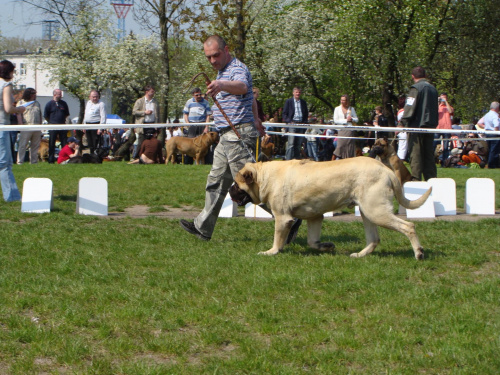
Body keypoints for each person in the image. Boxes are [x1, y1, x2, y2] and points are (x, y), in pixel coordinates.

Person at [179, 35, 265, 241]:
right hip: (227, 136)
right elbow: (249, 97)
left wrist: (221, 85)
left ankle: (290, 217)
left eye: (216, 55)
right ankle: (203, 228)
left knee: (249, 186)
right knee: (216, 182)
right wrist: (257, 118)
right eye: (208, 57)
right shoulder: (222, 71)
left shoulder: (237, 69)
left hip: (239, 135)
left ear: (226, 50)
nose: (212, 60)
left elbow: (242, 87)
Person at [400, 66, 438, 181]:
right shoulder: (433, 89)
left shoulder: (415, 88)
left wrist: (402, 122)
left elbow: (409, 107)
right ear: (425, 76)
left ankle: (416, 180)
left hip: (416, 127)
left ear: (413, 76)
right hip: (430, 127)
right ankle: (432, 180)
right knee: (429, 156)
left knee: (415, 155)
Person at [0, 60, 25, 201]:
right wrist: (19, 109)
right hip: (2, 126)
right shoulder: (5, 85)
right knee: (4, 164)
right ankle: (12, 197)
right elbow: (8, 108)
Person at [183, 87, 212, 164]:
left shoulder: (205, 102)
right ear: (193, 95)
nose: (199, 96)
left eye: (200, 94)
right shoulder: (189, 102)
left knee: (205, 144)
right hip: (192, 125)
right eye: (197, 95)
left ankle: (206, 162)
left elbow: (208, 115)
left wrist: (206, 126)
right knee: (189, 144)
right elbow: (185, 114)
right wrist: (187, 123)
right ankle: (187, 163)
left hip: (202, 124)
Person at [132, 85, 159, 158]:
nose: (153, 93)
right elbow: (134, 112)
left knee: (152, 142)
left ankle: (149, 157)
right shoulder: (140, 101)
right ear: (147, 92)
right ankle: (137, 157)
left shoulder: (155, 102)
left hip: (152, 124)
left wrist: (157, 126)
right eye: (152, 91)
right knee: (141, 142)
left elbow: (157, 115)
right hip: (143, 125)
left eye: (154, 91)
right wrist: (144, 112)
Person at [17, 88, 42, 165]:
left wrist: (40, 126)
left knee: (35, 145)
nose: (35, 95)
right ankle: (20, 161)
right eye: (33, 93)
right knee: (23, 145)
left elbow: (40, 114)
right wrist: (21, 126)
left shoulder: (37, 103)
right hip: (26, 126)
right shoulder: (21, 103)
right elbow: (19, 115)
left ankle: (34, 161)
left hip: (36, 126)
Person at [44, 89, 70, 163]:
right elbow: (46, 115)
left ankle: (65, 159)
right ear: (54, 94)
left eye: (61, 94)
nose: (61, 95)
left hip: (62, 126)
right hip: (53, 126)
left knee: (64, 143)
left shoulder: (64, 103)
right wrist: (51, 122)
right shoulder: (49, 104)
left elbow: (66, 114)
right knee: (52, 143)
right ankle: (51, 160)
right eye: (59, 94)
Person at [283, 87, 308, 160]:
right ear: (293, 93)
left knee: (298, 144)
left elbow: (306, 113)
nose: (298, 94)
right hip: (292, 124)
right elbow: (284, 114)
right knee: (291, 143)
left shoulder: (303, 102)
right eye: (296, 92)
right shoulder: (289, 101)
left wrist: (305, 122)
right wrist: (289, 121)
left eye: (299, 92)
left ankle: (297, 159)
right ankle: (288, 160)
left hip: (301, 124)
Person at [332, 94, 359, 160]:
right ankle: (336, 160)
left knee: (349, 147)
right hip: (341, 130)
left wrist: (352, 119)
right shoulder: (337, 109)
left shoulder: (351, 109)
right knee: (340, 146)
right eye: (341, 100)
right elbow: (335, 120)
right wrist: (345, 120)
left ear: (347, 101)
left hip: (350, 131)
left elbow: (357, 119)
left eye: (344, 100)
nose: (342, 101)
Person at [83, 90, 106, 155]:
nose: (95, 98)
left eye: (96, 96)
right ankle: (91, 155)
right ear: (89, 97)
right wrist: (84, 125)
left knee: (95, 142)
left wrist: (100, 128)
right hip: (88, 125)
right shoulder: (88, 103)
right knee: (89, 143)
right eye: (93, 97)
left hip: (96, 124)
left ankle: (95, 156)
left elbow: (103, 117)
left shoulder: (101, 104)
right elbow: (85, 114)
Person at [479, 102, 500, 168]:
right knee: (494, 151)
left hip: (488, 134)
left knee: (490, 150)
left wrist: (486, 127)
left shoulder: (487, 115)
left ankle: (490, 164)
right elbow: (496, 125)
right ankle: (492, 165)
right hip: (494, 134)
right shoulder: (495, 115)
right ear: (497, 108)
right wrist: (496, 132)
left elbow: (479, 123)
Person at [435, 92, 454, 165]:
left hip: (447, 128)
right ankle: (432, 161)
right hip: (438, 128)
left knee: (446, 147)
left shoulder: (449, 107)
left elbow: (450, 111)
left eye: (444, 97)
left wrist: (445, 101)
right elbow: (434, 112)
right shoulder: (438, 107)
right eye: (442, 97)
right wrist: (437, 101)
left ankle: (445, 162)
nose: (442, 99)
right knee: (434, 144)